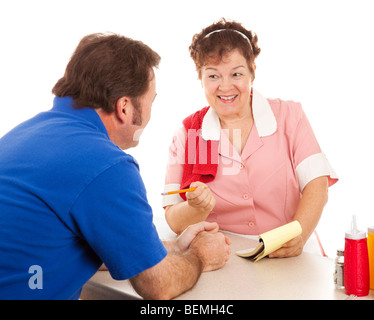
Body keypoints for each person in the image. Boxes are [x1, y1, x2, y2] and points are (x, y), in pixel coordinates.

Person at [0, 33, 231, 300]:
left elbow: (54, 246)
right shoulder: (106, 164)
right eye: (151, 100)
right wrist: (200, 256)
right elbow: (158, 286)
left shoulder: (22, 136)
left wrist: (171, 248)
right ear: (124, 107)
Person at [162, 18, 338, 258]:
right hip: (223, 259)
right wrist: (194, 207)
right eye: (213, 76)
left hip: (290, 252)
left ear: (252, 72)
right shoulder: (190, 133)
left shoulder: (289, 116)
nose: (225, 87)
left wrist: (299, 234)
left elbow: (317, 186)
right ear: (200, 78)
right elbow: (173, 219)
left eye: (236, 74)